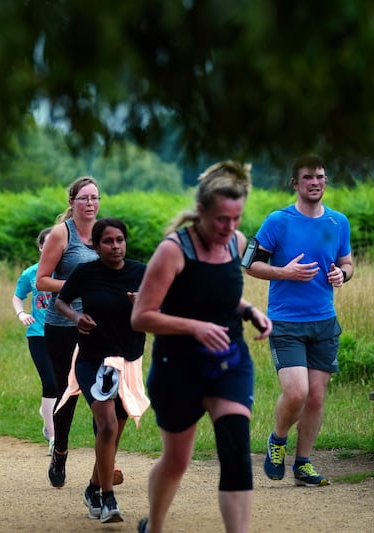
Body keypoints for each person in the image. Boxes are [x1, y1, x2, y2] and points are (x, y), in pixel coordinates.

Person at [131, 161, 272, 533]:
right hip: (177, 367)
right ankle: (155, 525)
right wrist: (194, 327)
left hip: (228, 362)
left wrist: (250, 310)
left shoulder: (238, 244)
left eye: (237, 218)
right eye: (221, 219)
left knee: (236, 450)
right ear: (202, 211)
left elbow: (219, 294)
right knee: (177, 461)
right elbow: (142, 316)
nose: (230, 228)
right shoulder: (173, 251)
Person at [246, 154, 354, 488]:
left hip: (324, 322)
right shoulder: (278, 221)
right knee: (296, 393)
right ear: (295, 183)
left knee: (317, 397)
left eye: (320, 176)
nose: (316, 182)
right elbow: (249, 264)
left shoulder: (338, 222)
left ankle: (303, 464)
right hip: (287, 323)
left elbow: (347, 263)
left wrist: (342, 275)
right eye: (308, 177)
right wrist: (285, 272)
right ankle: (277, 441)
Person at [55, 218, 149, 523]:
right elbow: (61, 301)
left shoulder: (140, 273)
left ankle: (94, 487)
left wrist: (142, 305)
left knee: (115, 432)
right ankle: (108, 499)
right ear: (95, 245)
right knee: (107, 425)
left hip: (128, 360)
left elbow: (160, 310)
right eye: (108, 241)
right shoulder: (86, 272)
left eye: (120, 240)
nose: (116, 246)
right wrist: (76, 316)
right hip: (92, 358)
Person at [36, 176, 100, 488]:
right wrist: (79, 285)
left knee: (102, 393)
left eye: (95, 198)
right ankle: (60, 451)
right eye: (84, 198)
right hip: (62, 326)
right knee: (67, 392)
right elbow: (42, 280)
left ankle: (104, 462)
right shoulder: (61, 235)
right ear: (72, 202)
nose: (90, 204)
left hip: (99, 325)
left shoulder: (104, 234)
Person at [12, 227, 56, 455]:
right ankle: (53, 438)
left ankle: (46, 413)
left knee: (65, 385)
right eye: (47, 244)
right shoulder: (31, 273)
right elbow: (17, 297)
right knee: (50, 383)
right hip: (37, 334)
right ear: (40, 247)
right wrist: (21, 314)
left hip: (63, 333)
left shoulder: (66, 271)